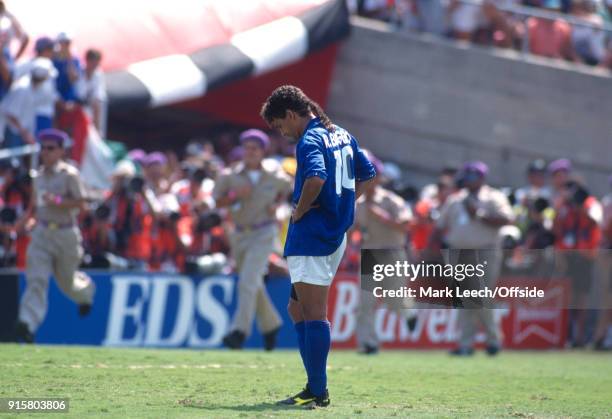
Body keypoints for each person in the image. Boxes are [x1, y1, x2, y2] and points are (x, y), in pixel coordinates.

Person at [261, 85, 376, 408]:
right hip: (332, 234)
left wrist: (299, 210)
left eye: (280, 125)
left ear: (291, 114)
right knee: (296, 308)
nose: (283, 133)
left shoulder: (310, 139)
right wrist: (344, 207)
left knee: (312, 312)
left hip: (313, 235)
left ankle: (317, 390)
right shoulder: (339, 132)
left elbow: (315, 178)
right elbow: (368, 175)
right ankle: (314, 386)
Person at [14, 129, 96, 343]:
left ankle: (85, 294)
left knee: (67, 283)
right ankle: (27, 324)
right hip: (42, 232)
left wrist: (58, 201)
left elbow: (82, 203)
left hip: (65, 232)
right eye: (43, 148)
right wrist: (22, 224)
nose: (46, 152)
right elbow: (35, 206)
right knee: (36, 279)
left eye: (51, 148)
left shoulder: (70, 174)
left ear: (61, 150)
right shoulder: (38, 176)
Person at [215, 129, 292, 350]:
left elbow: (289, 191)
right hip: (239, 233)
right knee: (253, 283)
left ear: (263, 151)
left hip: (264, 232)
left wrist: (278, 205)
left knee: (247, 281)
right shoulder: (229, 176)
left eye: (254, 149)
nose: (250, 153)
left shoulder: (274, 176)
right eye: (246, 148)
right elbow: (217, 201)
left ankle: (239, 332)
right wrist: (234, 196)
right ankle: (271, 325)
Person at [430, 161, 514, 356]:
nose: (468, 181)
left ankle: (493, 339)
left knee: (480, 295)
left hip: (485, 251)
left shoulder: (494, 197)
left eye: (472, 177)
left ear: (482, 178)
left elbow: (506, 219)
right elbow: (440, 226)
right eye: (466, 177)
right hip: (458, 252)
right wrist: (430, 248)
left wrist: (479, 215)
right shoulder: (455, 199)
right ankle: (466, 344)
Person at [354, 155, 415, 354]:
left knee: (394, 298)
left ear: (379, 177)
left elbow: (406, 225)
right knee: (365, 302)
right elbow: (350, 228)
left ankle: (409, 314)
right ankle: (369, 343)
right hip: (370, 254)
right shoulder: (358, 202)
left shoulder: (391, 200)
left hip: (392, 253)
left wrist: (383, 217)